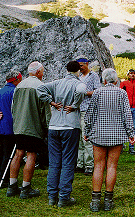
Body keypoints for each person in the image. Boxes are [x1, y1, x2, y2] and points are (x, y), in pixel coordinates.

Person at [84, 68, 135, 212]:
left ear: (104, 80)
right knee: (112, 166)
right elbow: (127, 115)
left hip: (99, 134)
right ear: (116, 80)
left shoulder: (97, 92)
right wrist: (131, 133)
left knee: (98, 166)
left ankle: (95, 202)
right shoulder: (122, 93)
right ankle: (108, 201)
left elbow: (90, 114)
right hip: (117, 135)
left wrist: (86, 131)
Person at [36, 61, 86, 207]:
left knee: (54, 162)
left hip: (54, 125)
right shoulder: (78, 83)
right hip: (70, 126)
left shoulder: (57, 83)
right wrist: (76, 105)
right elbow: (82, 90)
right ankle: (64, 196)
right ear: (78, 71)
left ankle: (52, 196)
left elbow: (40, 89)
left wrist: (51, 102)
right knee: (68, 162)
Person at [7, 61, 51, 199]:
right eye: (43, 71)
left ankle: (12, 186)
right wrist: (47, 127)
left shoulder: (19, 85)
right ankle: (26, 188)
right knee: (31, 155)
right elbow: (46, 111)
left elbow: (13, 107)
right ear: (38, 72)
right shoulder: (41, 86)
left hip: (19, 126)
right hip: (33, 126)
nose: (43, 74)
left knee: (18, 154)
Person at [0, 70, 22, 188]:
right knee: (8, 155)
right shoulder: (14, 91)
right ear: (16, 80)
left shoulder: (0, 91)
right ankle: (4, 180)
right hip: (9, 128)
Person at [76, 56, 101, 176]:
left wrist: (85, 93)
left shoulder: (94, 76)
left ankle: (90, 165)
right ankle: (80, 164)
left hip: (88, 110)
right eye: (78, 66)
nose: (79, 68)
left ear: (86, 64)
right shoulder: (78, 76)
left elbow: (98, 91)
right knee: (79, 138)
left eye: (81, 65)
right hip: (78, 109)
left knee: (86, 138)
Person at [120, 69, 135, 154]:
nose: (132, 75)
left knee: (134, 127)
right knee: (123, 126)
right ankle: (121, 145)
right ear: (128, 75)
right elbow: (120, 95)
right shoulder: (124, 83)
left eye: (133, 74)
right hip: (125, 108)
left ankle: (131, 146)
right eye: (130, 74)